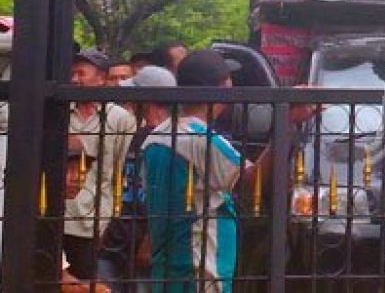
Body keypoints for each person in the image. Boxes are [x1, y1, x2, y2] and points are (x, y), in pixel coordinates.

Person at [142, 50, 312, 292]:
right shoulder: (200, 138)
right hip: (200, 268)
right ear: (222, 86)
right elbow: (252, 180)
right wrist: (287, 122)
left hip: (168, 267)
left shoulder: (157, 136)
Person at [97, 65, 177, 291]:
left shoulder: (170, 138)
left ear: (147, 99)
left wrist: (150, 241)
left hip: (146, 242)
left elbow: (169, 194)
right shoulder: (132, 131)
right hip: (114, 238)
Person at [66, 48, 137, 281]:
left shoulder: (120, 119)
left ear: (101, 78)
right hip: (57, 213)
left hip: (94, 219)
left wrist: (110, 217)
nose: (75, 79)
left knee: (85, 281)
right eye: (72, 74)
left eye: (81, 73)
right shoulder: (60, 112)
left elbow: (119, 170)